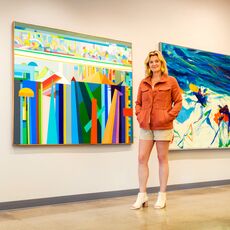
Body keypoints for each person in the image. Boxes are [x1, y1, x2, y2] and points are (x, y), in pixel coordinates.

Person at [131, 50, 182, 209]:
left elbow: (178, 102)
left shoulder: (171, 81)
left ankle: (162, 195)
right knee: (141, 158)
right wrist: (140, 116)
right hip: (146, 126)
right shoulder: (144, 82)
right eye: (151, 62)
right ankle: (142, 195)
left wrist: (167, 117)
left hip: (163, 127)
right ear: (148, 65)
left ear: (161, 64)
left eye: (156, 61)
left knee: (162, 159)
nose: (154, 64)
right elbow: (138, 103)